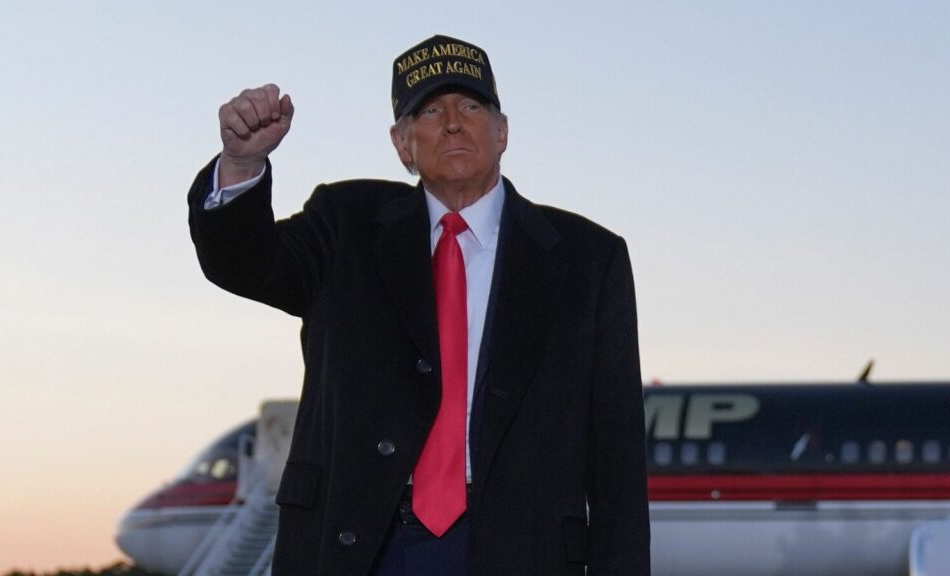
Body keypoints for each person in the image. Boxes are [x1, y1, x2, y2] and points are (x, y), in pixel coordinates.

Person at [188, 34, 649, 576]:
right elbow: (243, 264)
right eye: (430, 111)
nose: (453, 122)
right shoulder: (346, 224)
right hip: (363, 545)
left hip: (524, 548)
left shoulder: (588, 258)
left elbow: (617, 455)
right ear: (402, 145)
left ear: (502, 134)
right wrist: (242, 164)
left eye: (471, 106)